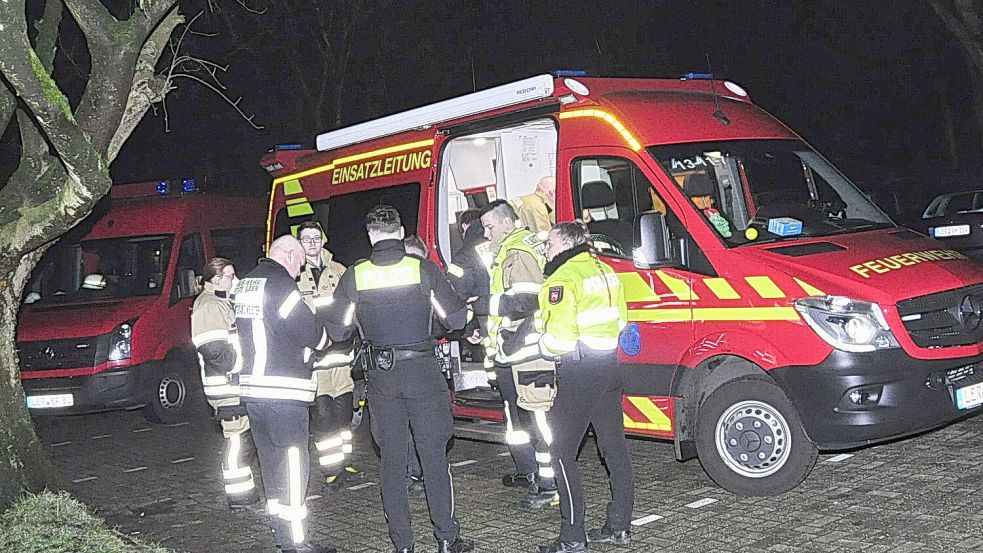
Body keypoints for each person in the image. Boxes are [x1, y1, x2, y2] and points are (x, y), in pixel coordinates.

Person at [321, 205, 474, 553]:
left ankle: (403, 545)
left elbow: (338, 330)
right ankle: (447, 539)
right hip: (423, 375)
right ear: (401, 231)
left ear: (371, 235)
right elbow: (456, 320)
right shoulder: (422, 269)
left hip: (382, 379)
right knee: (434, 457)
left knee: (392, 462)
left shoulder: (355, 275)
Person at [536, 221, 633, 553]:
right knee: (614, 448)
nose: (545, 249)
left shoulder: (562, 278)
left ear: (565, 244)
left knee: (560, 451)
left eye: (548, 243)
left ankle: (572, 535)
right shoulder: (604, 270)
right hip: (608, 365)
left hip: (579, 370)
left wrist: (542, 346)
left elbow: (559, 339)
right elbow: (621, 320)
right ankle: (619, 526)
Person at [236, 236, 335, 553]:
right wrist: (322, 336)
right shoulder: (281, 286)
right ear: (289, 254)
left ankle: (282, 535)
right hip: (284, 392)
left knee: (270, 466)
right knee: (293, 465)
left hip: (255, 393)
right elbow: (312, 334)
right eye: (300, 262)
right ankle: (296, 543)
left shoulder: (246, 284)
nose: (300, 270)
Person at [471, 200, 558, 509]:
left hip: (529, 352)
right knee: (534, 419)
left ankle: (550, 485)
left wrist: (483, 304)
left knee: (540, 421)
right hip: (521, 351)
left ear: (507, 224)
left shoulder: (517, 252)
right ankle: (543, 479)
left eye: (489, 226)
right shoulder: (516, 247)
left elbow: (525, 302)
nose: (485, 232)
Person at [191, 257, 262, 514]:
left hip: (234, 384)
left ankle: (244, 492)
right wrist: (239, 369)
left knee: (244, 439)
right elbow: (214, 350)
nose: (236, 280)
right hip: (226, 386)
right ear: (217, 279)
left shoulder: (222, 301)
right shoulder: (209, 306)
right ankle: (238, 496)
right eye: (231, 275)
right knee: (237, 441)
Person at [295, 221, 362, 492]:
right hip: (315, 358)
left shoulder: (340, 271)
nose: (311, 243)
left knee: (344, 413)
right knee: (323, 418)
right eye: (306, 239)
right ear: (299, 243)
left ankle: (344, 462)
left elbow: (352, 306)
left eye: (315, 238)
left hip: (342, 354)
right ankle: (331, 470)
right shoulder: (295, 274)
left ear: (323, 240)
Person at [446, 209, 493, 355]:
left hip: (488, 320)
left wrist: (468, 330)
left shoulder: (463, 256)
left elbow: (458, 296)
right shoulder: (498, 243)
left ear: (465, 226)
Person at [684, 173, 732, 238]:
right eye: (698, 198)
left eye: (707, 197)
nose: (704, 202)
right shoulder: (688, 220)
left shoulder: (717, 214)